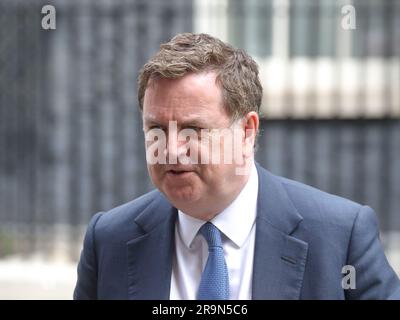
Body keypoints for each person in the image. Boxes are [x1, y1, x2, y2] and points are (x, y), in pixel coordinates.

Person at [74, 33, 400, 300]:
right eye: (156, 130)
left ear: (247, 132)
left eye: (193, 130)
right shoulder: (109, 241)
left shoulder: (340, 238)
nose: (171, 150)